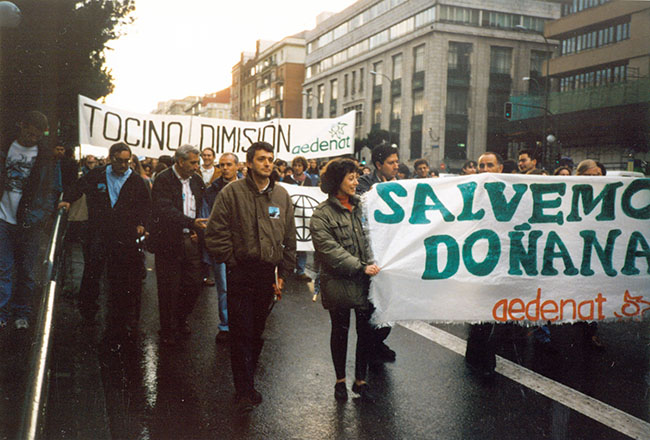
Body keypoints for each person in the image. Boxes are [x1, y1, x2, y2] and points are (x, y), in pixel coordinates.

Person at [205, 141, 296, 413]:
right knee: (241, 332)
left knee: (256, 333)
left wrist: (284, 274)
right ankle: (243, 389)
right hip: (240, 272)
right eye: (261, 159)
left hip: (266, 275)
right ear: (248, 164)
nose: (267, 163)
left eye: (270, 159)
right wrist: (231, 260)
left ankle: (249, 380)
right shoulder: (231, 193)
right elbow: (215, 232)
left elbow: (289, 237)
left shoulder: (281, 196)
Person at [59, 142, 151, 346]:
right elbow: (77, 187)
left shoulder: (135, 181)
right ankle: (88, 312)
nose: (124, 165)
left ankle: (118, 318)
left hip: (123, 236)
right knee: (93, 271)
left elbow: (145, 205)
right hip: (98, 233)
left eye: (127, 161)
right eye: (120, 161)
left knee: (120, 276)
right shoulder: (97, 174)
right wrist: (67, 200)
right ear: (111, 158)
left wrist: (141, 224)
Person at [310, 158, 381, 401]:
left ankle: (360, 380)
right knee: (340, 332)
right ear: (336, 181)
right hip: (339, 282)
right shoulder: (322, 214)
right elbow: (328, 250)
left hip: (366, 282)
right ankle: (340, 381)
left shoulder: (364, 207)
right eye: (350, 177)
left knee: (366, 333)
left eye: (357, 177)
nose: (356, 182)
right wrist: (361, 267)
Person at [0, 111, 56, 329]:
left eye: (37, 136)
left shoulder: (45, 157)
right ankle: (2, 313)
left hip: (29, 222)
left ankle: (21, 312)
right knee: (3, 268)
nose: (32, 139)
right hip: (4, 217)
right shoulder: (5, 147)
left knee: (26, 270)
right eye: (29, 134)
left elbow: (52, 189)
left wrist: (39, 216)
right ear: (21, 126)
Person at [149, 144, 208, 346]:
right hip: (169, 242)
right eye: (193, 162)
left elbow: (202, 206)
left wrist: (197, 230)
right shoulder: (164, 179)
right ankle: (167, 329)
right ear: (180, 161)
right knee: (168, 289)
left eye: (198, 162)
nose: (196, 166)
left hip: (191, 241)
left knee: (193, 285)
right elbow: (164, 210)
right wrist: (190, 222)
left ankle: (181, 318)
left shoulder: (197, 181)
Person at [356, 143, 399, 364]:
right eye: (391, 162)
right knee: (372, 303)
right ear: (378, 165)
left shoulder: (400, 186)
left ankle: (379, 341)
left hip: (392, 253)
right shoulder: (364, 184)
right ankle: (370, 346)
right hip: (372, 254)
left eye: (397, 161)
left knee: (389, 302)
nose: (395, 166)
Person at [464, 151, 504, 379]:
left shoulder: (510, 191)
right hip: (476, 262)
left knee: (492, 314)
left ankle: (482, 359)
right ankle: (479, 359)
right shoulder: (469, 190)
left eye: (490, 164)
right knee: (479, 312)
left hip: (499, 262)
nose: (485, 169)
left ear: (499, 168)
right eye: (481, 165)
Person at [202, 152, 240, 343]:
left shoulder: (247, 187)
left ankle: (241, 324)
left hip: (244, 246)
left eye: (229, 164)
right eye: (222, 165)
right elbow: (206, 217)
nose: (225, 168)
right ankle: (225, 325)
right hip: (222, 245)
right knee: (224, 287)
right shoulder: (211, 190)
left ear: (237, 166)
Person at [283, 156, 312, 281]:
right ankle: (286, 269)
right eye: (295, 165)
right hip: (290, 214)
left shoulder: (309, 180)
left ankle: (300, 270)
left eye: (300, 165)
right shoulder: (287, 179)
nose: (297, 167)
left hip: (302, 215)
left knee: (302, 243)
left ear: (304, 167)